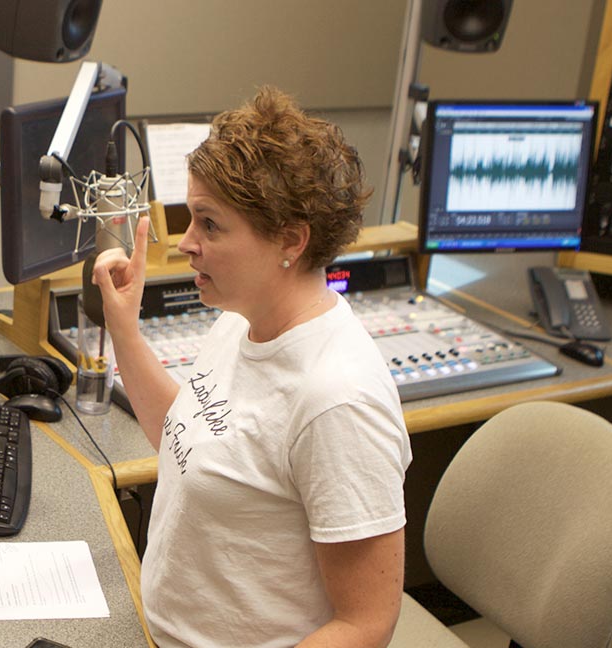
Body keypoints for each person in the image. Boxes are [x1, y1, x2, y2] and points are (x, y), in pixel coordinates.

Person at [91, 87, 411, 646]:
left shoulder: (337, 401)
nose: (186, 244)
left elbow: (365, 624)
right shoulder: (241, 319)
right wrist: (124, 327)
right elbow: (185, 436)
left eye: (209, 225)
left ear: (290, 240)